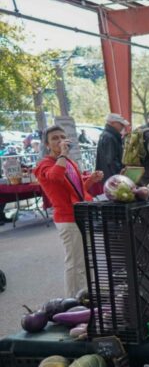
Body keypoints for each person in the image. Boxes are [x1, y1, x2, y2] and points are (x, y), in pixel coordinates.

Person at [34, 125, 103, 296]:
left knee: (87, 258)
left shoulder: (69, 162)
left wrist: (91, 180)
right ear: (47, 145)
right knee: (74, 261)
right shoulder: (44, 165)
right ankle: (72, 300)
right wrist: (63, 154)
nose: (60, 141)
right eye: (55, 138)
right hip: (67, 218)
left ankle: (88, 294)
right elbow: (55, 177)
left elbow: (77, 190)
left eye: (62, 137)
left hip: (81, 214)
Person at [95, 113, 128, 181]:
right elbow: (111, 160)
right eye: (121, 124)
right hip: (112, 176)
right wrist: (119, 173)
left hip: (108, 175)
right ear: (112, 123)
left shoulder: (107, 135)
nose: (123, 126)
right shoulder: (109, 137)